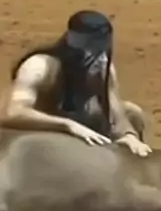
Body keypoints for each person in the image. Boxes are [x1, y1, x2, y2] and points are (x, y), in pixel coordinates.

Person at [0, 10, 151, 156]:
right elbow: (13, 112)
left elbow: (115, 111)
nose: (101, 60)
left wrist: (128, 134)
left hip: (81, 123)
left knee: (132, 113)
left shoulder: (103, 68)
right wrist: (67, 125)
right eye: (91, 52)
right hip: (42, 128)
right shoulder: (40, 66)